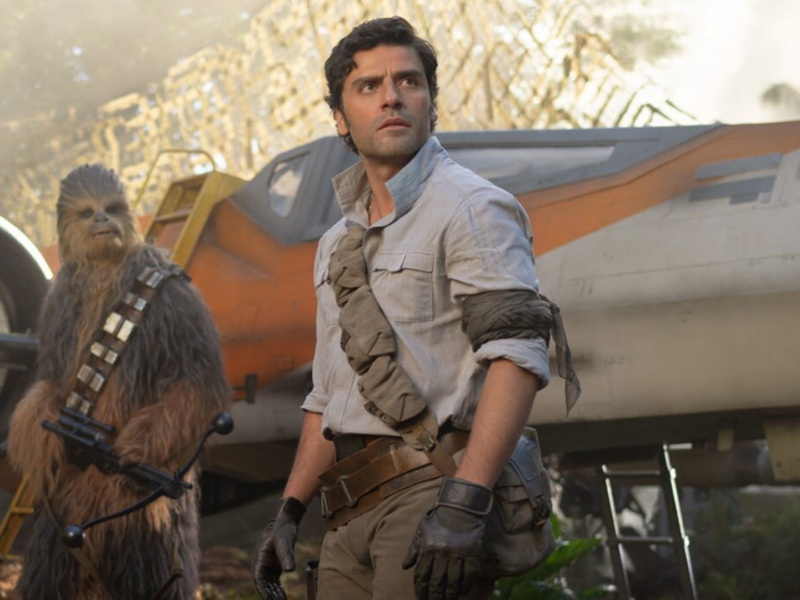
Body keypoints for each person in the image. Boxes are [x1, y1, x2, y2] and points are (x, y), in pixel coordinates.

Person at [252, 16, 556, 600]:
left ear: (431, 104)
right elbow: (329, 397)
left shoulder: (472, 208)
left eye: (408, 81)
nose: (391, 95)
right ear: (341, 120)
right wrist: (289, 510)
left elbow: (517, 358)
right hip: (346, 516)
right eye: (368, 86)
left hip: (430, 497)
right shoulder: (335, 245)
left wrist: (465, 502)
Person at [8, 164, 231, 600]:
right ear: (63, 226)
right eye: (86, 213)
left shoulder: (169, 292)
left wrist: (144, 446)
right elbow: (50, 379)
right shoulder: (58, 299)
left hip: (139, 496)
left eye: (112, 209)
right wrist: (41, 421)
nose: (101, 220)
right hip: (69, 491)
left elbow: (199, 387)